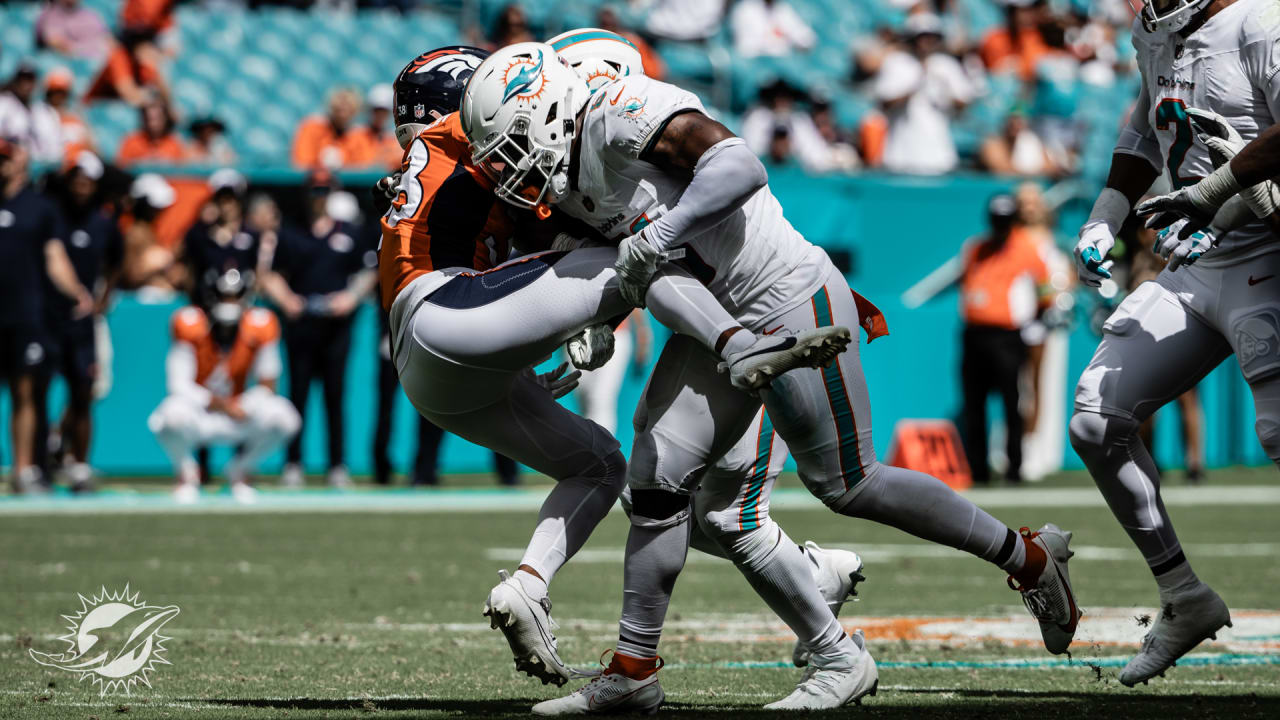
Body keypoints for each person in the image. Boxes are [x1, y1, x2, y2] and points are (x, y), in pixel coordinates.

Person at [461, 42, 1080, 714]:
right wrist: (598, 324)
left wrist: (664, 232)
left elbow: (739, 165)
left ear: (551, 108)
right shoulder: (568, 181)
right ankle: (637, 671)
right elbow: (637, 267)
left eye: (512, 141)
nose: (504, 165)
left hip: (784, 298)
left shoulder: (617, 112)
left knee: (848, 484)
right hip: (714, 323)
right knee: (657, 479)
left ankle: (1028, 557)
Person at [385, 45, 848, 691]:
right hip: (451, 309)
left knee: (613, 470)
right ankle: (738, 342)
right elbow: (573, 183)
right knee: (644, 248)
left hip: (431, 370)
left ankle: (529, 584)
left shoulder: (444, 152)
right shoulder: (489, 124)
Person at [1069, 0, 1280, 687]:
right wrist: (1107, 212)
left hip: (1269, 253)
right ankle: (1185, 598)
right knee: (1097, 419)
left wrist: (1216, 192)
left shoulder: (1260, 22)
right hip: (1198, 257)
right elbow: (1145, 124)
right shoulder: (1155, 29)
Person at [261, 172, 377, 489]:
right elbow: (270, 275)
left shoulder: (350, 232)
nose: (319, 196)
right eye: (314, 190)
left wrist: (350, 298)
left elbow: (369, 271)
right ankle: (293, 463)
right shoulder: (290, 233)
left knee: (335, 396)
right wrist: (286, 300)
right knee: (297, 395)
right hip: (301, 326)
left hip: (336, 327)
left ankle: (336, 465)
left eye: (324, 190)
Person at [148, 268, 300, 504]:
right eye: (223, 296)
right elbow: (178, 384)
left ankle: (240, 470)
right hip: (202, 412)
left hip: (238, 412)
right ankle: (187, 474)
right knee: (168, 416)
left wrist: (244, 405)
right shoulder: (189, 323)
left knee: (285, 417)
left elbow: (269, 384)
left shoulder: (262, 324)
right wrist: (218, 403)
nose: (229, 303)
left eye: (234, 296)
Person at [0, 139, 95, 493]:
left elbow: (55, 257)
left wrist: (77, 291)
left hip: (25, 314)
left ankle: (23, 469)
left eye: (5, 160)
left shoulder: (39, 208)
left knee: (25, 391)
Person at [36, 151, 122, 492]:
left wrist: (102, 299)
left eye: (88, 180)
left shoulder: (103, 223)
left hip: (82, 320)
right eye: (77, 179)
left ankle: (79, 464)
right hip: (49, 316)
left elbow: (117, 261)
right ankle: (39, 462)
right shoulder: (53, 216)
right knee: (39, 389)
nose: (82, 186)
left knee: (84, 391)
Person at [957, 194, 1051, 484]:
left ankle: (1014, 467)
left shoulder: (1026, 248)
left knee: (1012, 401)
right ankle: (979, 469)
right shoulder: (975, 248)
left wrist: (1033, 316)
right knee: (975, 403)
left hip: (1007, 336)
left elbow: (1045, 290)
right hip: (974, 335)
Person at [873, 13, 975, 175]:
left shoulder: (946, 65)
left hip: (938, 156)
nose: (927, 42)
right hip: (901, 155)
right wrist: (916, 84)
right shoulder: (896, 63)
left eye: (932, 37)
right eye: (922, 37)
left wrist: (947, 90)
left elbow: (964, 102)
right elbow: (884, 104)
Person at [181, 169, 261, 304]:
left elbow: (258, 271)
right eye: (221, 200)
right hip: (209, 303)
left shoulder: (252, 235)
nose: (226, 205)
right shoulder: (201, 234)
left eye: (230, 199)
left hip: (243, 302)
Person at [574, 309, 649, 435]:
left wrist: (643, 334)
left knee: (600, 399)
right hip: (576, 339)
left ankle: (601, 452)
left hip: (614, 334)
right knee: (585, 403)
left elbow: (632, 293)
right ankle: (588, 449)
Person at [291, 88, 374, 170]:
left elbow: (362, 167)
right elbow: (302, 163)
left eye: (349, 104)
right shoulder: (311, 128)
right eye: (340, 102)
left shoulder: (361, 136)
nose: (343, 105)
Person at [84, 26, 167, 107]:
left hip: (121, 111)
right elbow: (130, 95)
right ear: (138, 48)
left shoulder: (144, 64)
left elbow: (164, 92)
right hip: (95, 109)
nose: (152, 52)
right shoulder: (119, 57)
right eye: (149, 47)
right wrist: (153, 96)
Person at [0, 64, 64, 163]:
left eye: (29, 80)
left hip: (33, 161)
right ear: (16, 82)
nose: (25, 85)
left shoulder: (40, 110)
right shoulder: (5, 102)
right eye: (22, 80)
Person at [730, 0, 818, 58]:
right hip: (752, 57)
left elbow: (804, 37)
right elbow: (744, 45)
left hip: (778, 58)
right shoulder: (747, 8)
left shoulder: (782, 10)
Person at [43, 68, 95, 161]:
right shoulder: (41, 115)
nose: (58, 96)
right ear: (49, 92)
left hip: (80, 161)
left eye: (62, 92)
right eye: (55, 91)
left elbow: (91, 145)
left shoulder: (76, 117)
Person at [116, 97, 186, 166]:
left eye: (157, 118)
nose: (153, 123)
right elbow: (121, 167)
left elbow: (182, 169)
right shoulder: (131, 141)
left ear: (165, 119)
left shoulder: (175, 143)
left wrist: (167, 163)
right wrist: (141, 163)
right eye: (149, 118)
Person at [35, 0, 111, 59]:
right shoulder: (50, 15)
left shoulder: (91, 15)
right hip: (67, 63)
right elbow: (57, 43)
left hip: (98, 59)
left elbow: (108, 40)